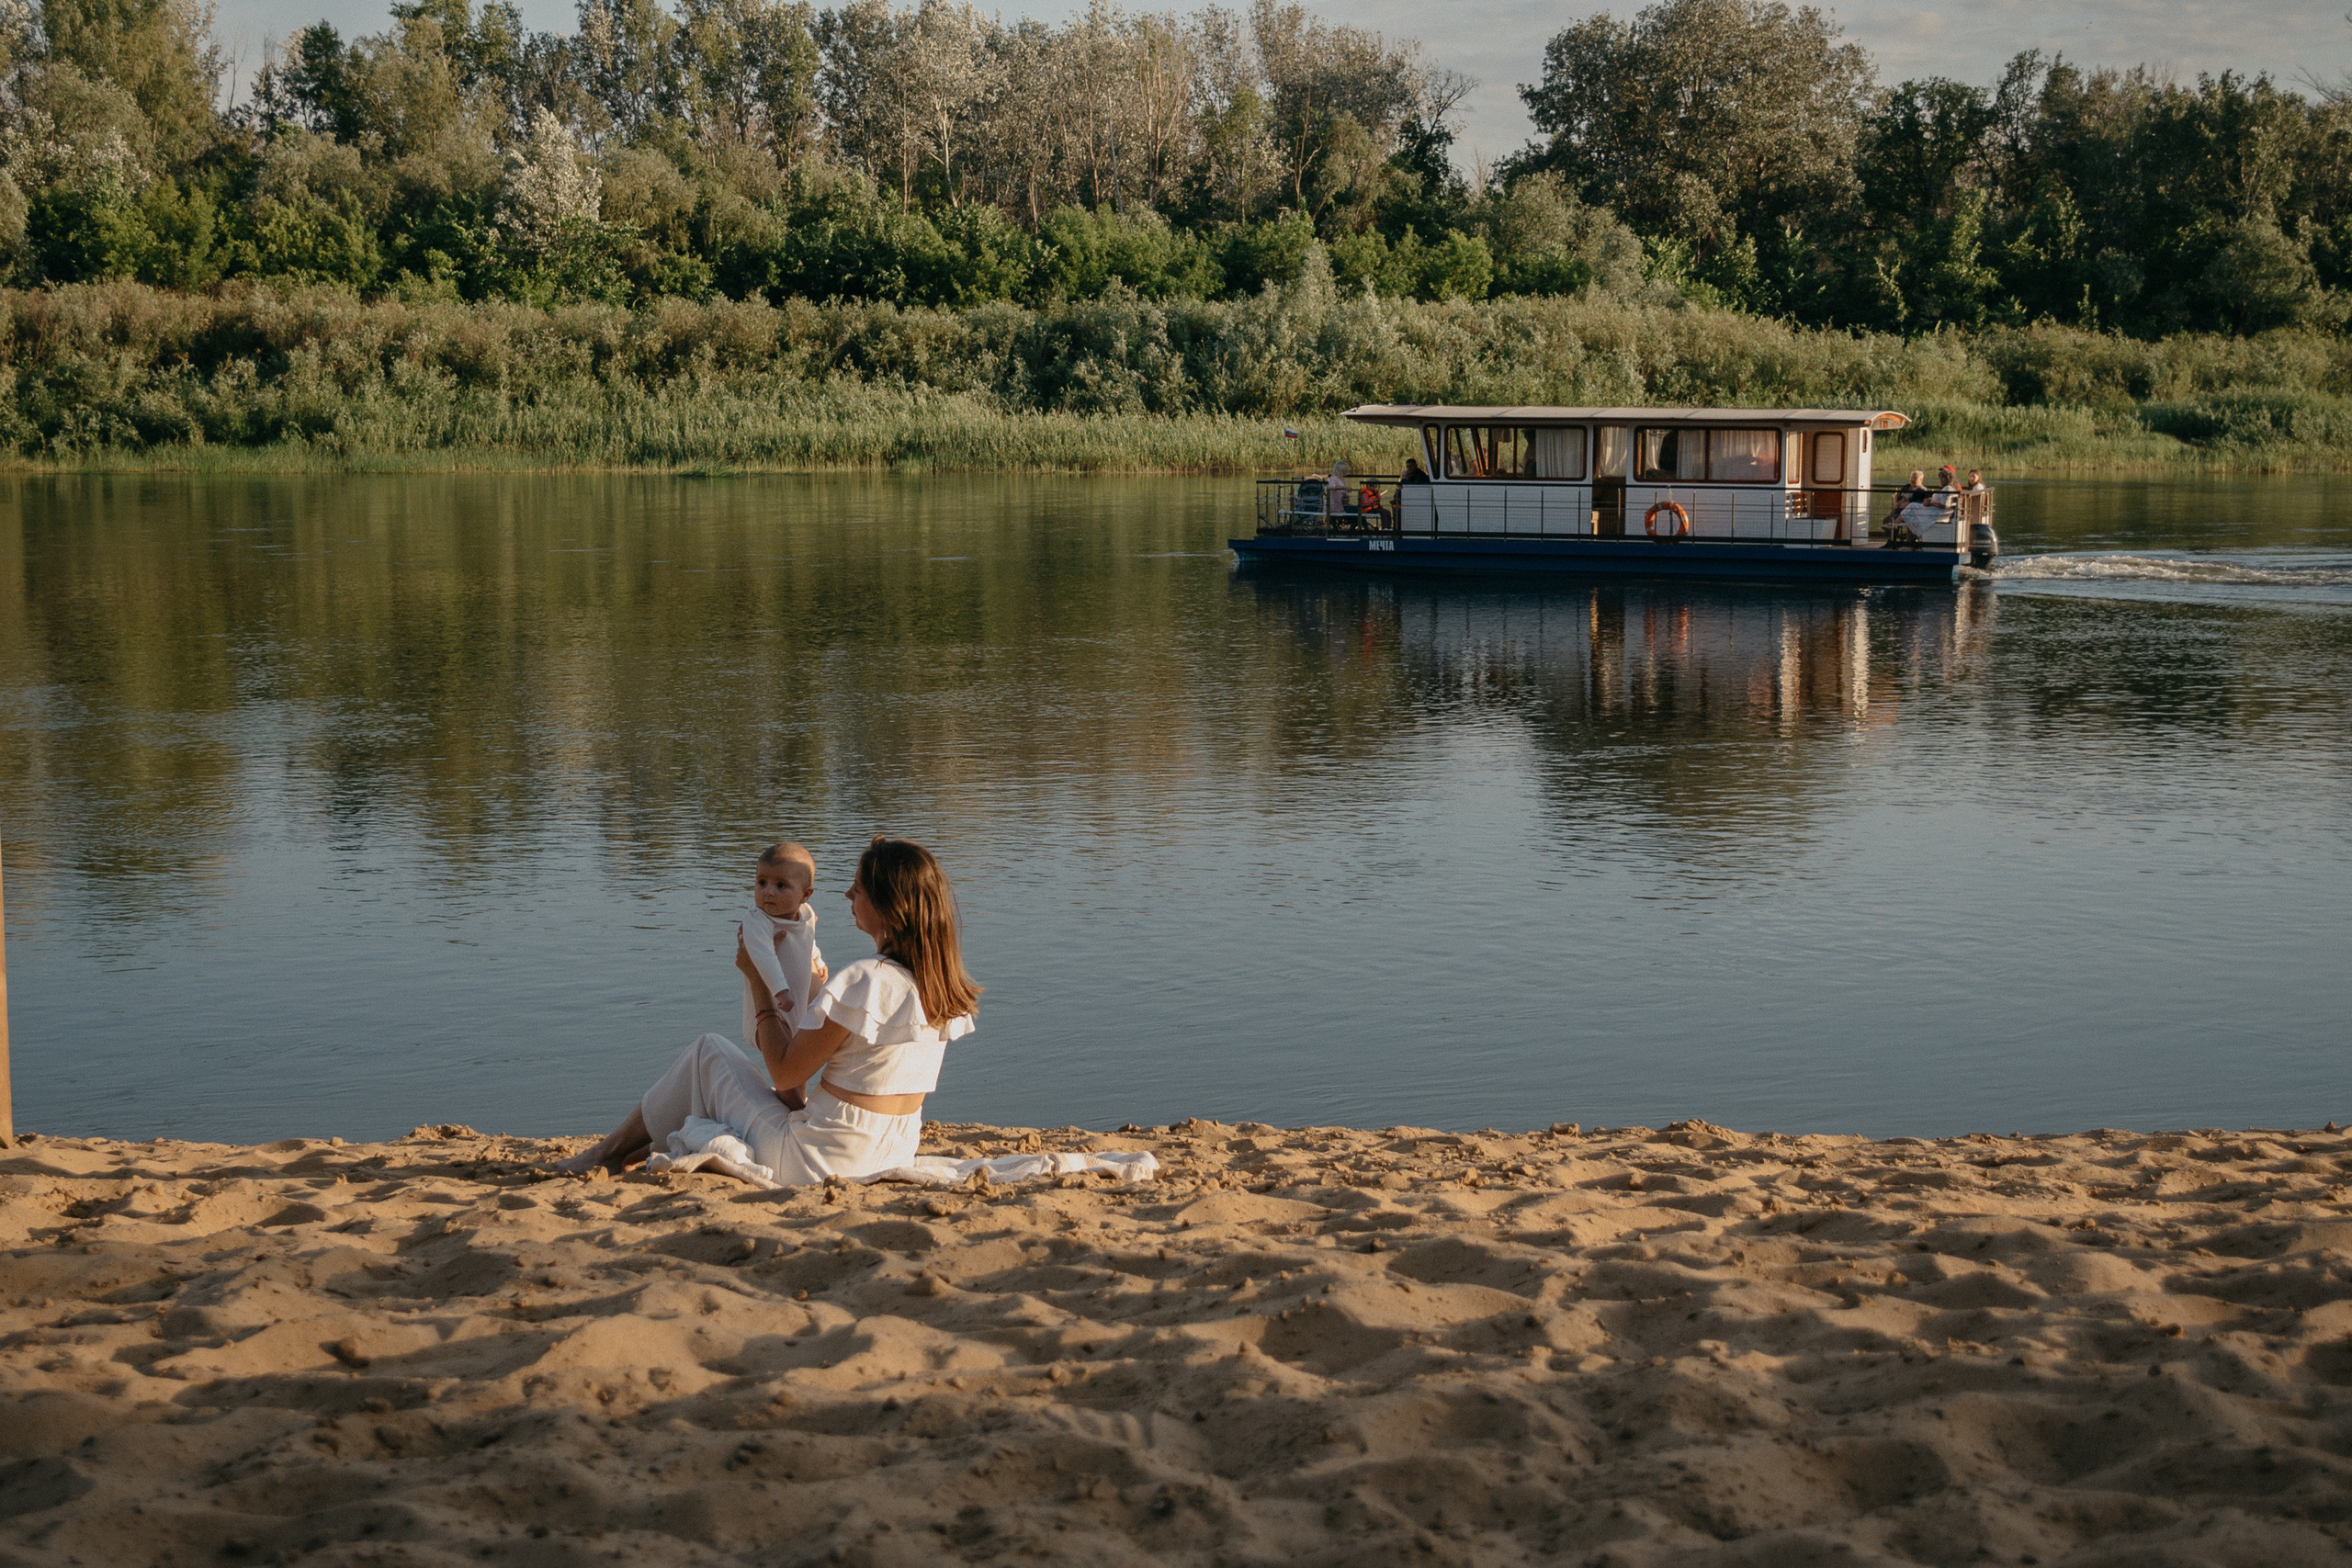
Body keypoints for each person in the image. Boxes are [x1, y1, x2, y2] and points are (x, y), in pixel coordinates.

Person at [557, 838, 982, 1185]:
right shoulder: (938, 986)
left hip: (816, 1161)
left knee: (709, 1053)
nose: (848, 895)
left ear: (888, 903)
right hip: (891, 1151)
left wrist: (758, 980)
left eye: (858, 888)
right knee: (724, 1083)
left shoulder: (867, 979)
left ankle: (606, 1153)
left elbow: (785, 1073)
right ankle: (623, 1152)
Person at [739, 843, 825, 1111]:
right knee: (785, 1061)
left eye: (780, 885)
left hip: (796, 1006)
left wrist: (818, 960)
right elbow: (762, 957)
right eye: (761, 882)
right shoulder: (758, 921)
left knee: (799, 1064)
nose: (768, 892)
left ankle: (795, 1105)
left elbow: (807, 940)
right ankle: (795, 1107)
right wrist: (779, 990)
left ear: (805, 895)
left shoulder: (805, 915)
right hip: (772, 1006)